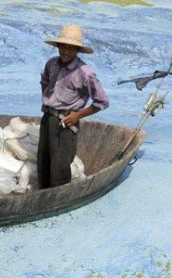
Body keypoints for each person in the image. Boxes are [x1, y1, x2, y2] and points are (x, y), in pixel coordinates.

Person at [38, 25, 109, 189]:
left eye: (71, 48)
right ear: (58, 46)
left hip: (66, 122)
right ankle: (43, 197)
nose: (66, 51)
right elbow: (44, 81)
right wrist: (48, 101)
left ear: (77, 50)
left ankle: (59, 201)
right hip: (48, 117)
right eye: (63, 46)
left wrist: (78, 115)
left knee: (60, 166)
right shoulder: (51, 64)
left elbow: (102, 101)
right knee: (44, 161)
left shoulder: (85, 73)